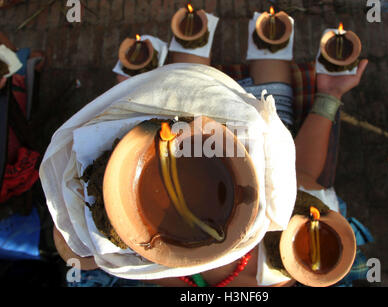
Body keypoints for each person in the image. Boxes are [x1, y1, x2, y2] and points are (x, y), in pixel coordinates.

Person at [53, 30, 369, 286]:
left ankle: (192, 43)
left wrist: (136, 96)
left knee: (190, 64)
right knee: (267, 62)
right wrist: (329, 97)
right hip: (266, 142)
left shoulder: (149, 264)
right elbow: (304, 173)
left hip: (179, 118)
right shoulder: (282, 250)